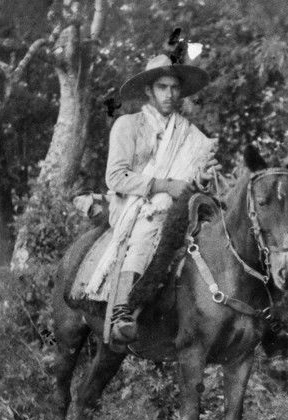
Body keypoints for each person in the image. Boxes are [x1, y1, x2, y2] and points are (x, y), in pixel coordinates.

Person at [97, 54, 219, 348]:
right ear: (149, 91)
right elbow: (115, 178)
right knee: (145, 234)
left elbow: (192, 180)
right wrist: (164, 185)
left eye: (174, 88)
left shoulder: (189, 133)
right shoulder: (128, 125)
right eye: (162, 87)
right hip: (134, 205)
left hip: (178, 207)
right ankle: (122, 311)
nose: (169, 94)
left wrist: (201, 179)